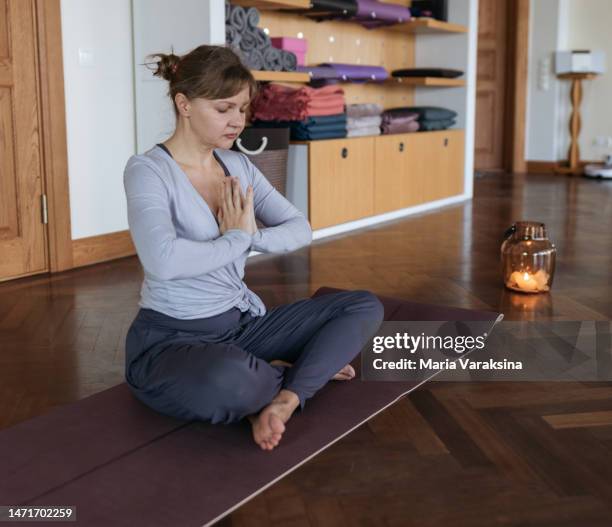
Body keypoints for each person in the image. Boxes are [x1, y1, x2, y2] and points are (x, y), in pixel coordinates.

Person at [123, 45, 384, 451]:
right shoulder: (148, 171)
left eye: (242, 109)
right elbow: (163, 260)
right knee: (229, 379)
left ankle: (285, 397)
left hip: (241, 328)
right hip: (171, 341)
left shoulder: (238, 166)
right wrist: (237, 239)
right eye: (224, 109)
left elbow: (301, 229)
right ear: (184, 104)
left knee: (363, 306)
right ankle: (303, 372)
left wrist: (251, 237)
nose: (238, 122)